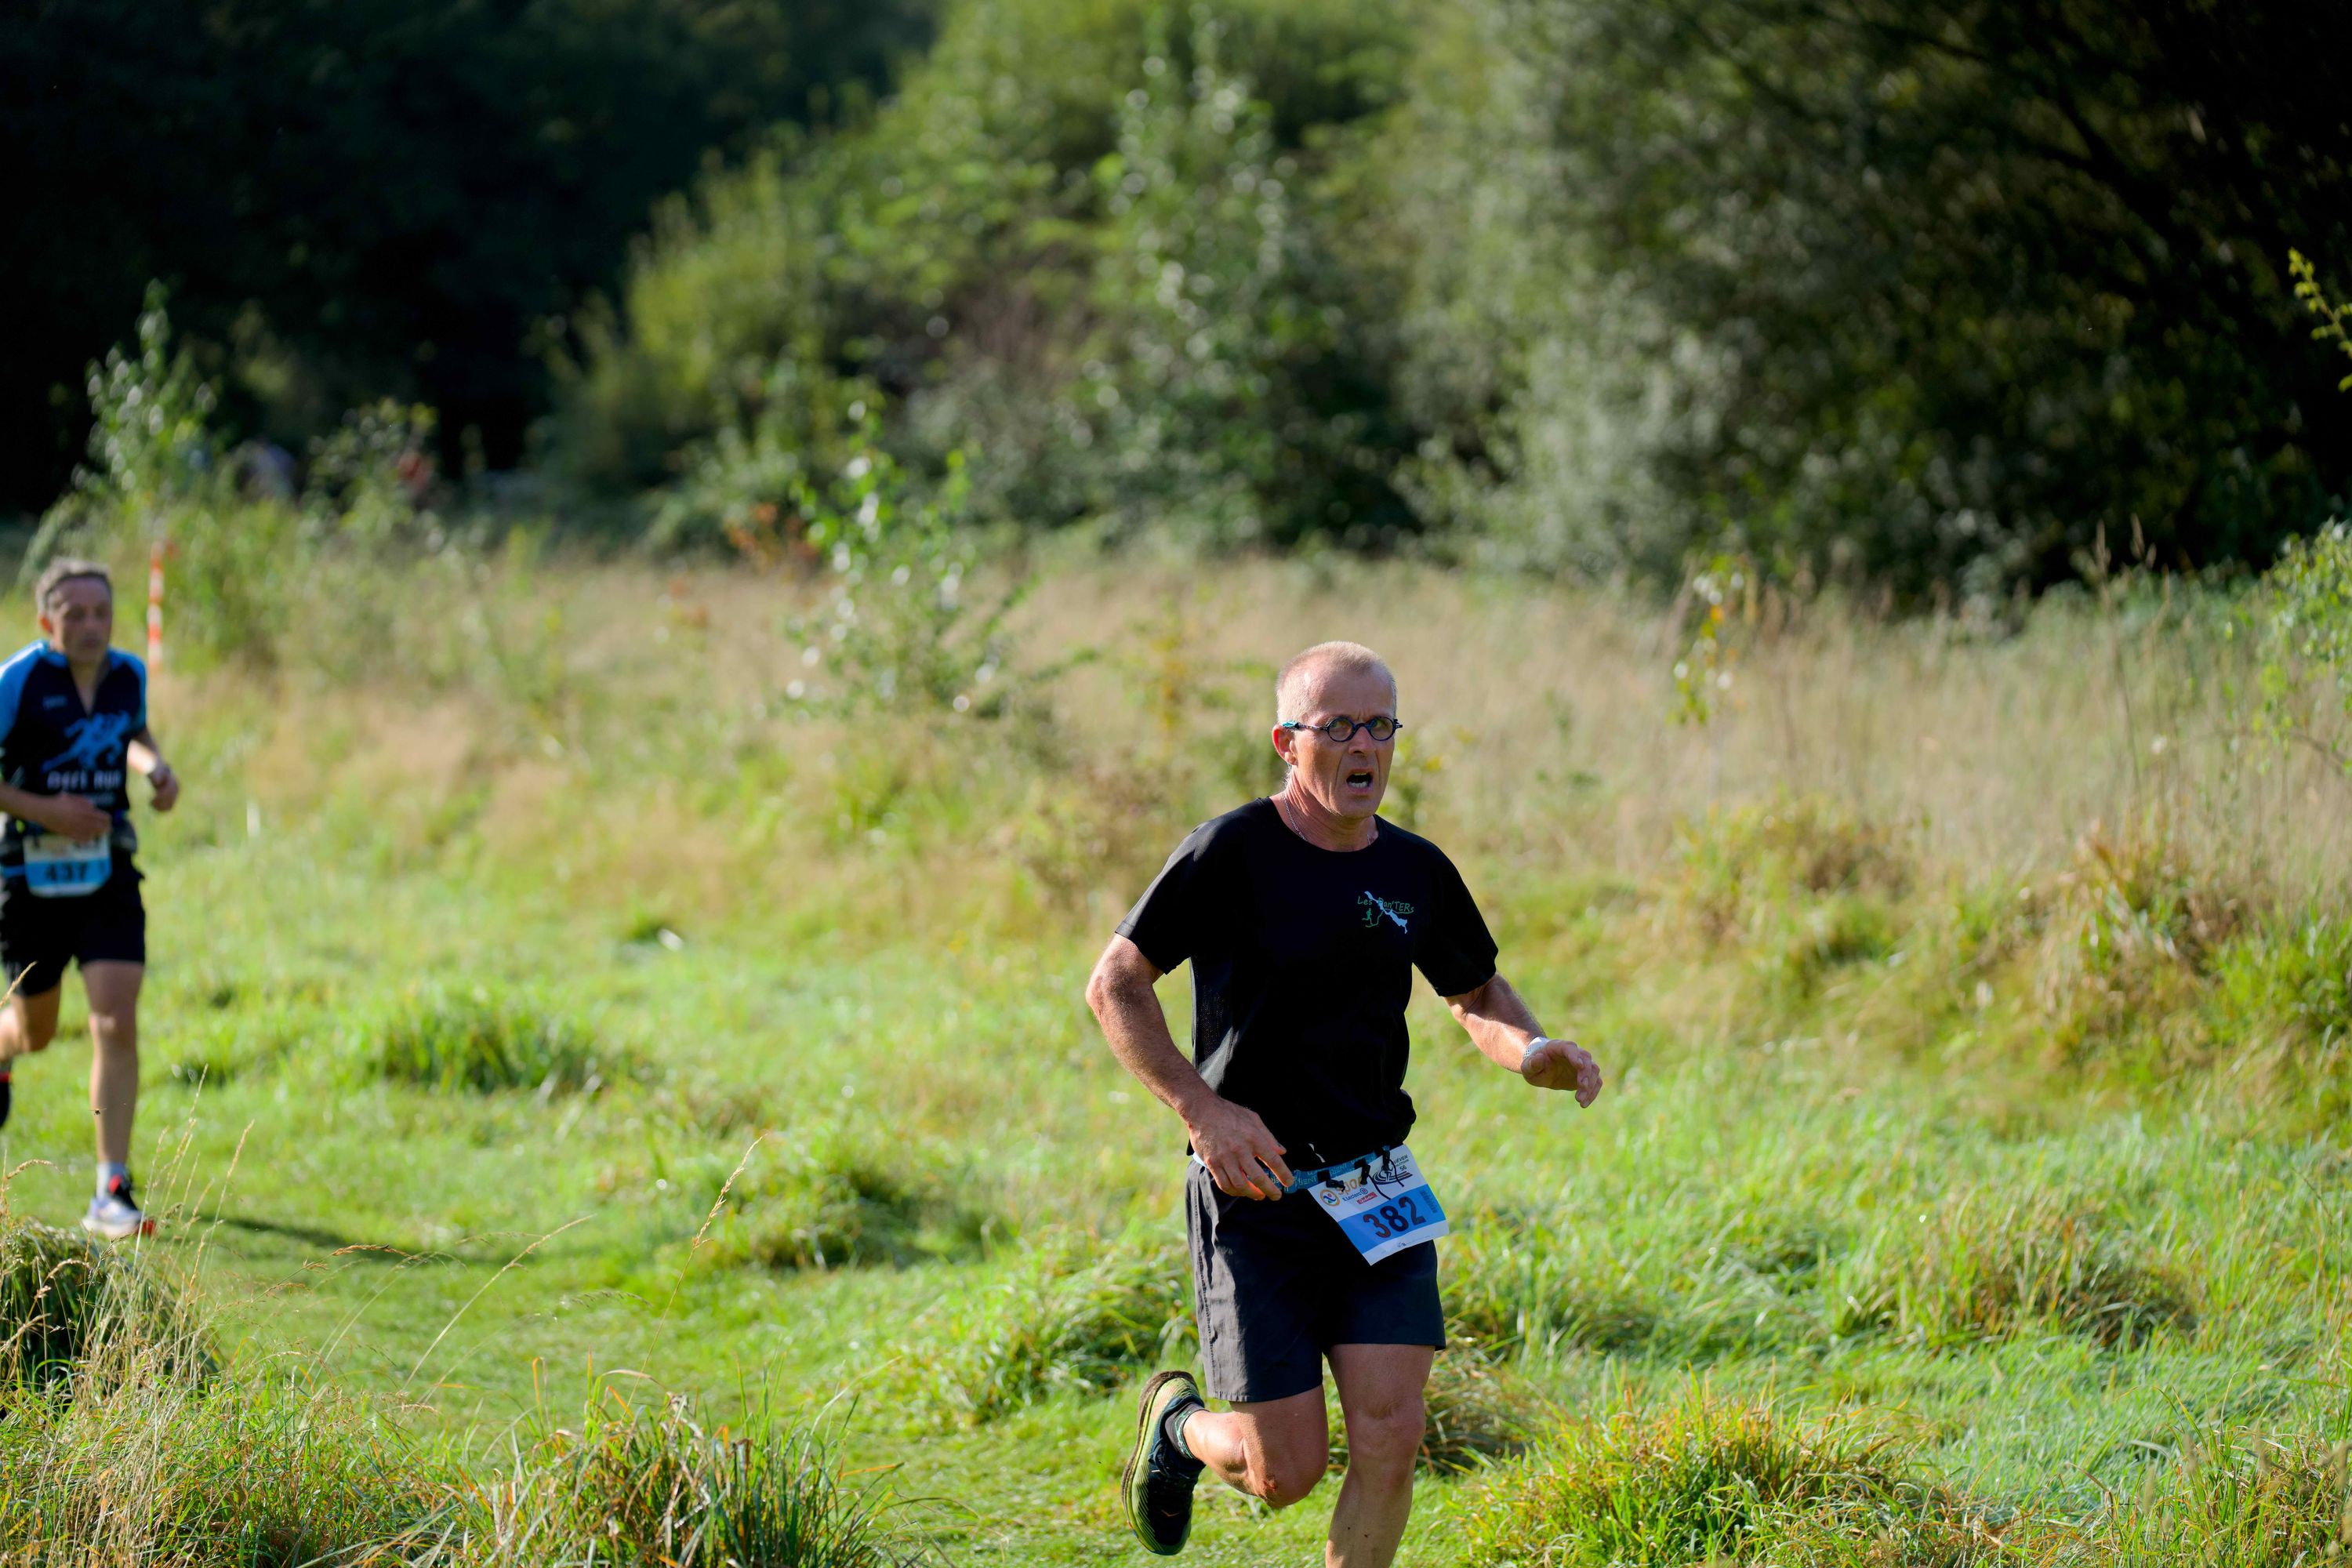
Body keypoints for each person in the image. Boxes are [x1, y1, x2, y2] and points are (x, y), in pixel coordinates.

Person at [1085, 641, 1604, 1566]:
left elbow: (1475, 990)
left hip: (1379, 1183)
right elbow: (1115, 981)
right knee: (1284, 1471)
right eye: (1338, 727)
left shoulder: (1414, 869)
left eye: (1380, 726)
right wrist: (1203, 1109)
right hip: (1256, 1187)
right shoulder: (1230, 851)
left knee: (1392, 1433)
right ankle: (1178, 1426)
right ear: (1288, 741)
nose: (1364, 745)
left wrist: (1532, 1051)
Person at [0, 558, 182, 1239]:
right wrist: (46, 811)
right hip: (30, 877)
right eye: (74, 614)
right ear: (46, 620)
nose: (90, 625)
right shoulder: (18, 680)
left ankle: (111, 1187)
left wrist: (155, 768)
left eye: (100, 612)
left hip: (108, 870)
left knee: (115, 1019)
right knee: (36, 1033)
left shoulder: (127, 674)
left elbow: (131, 731)